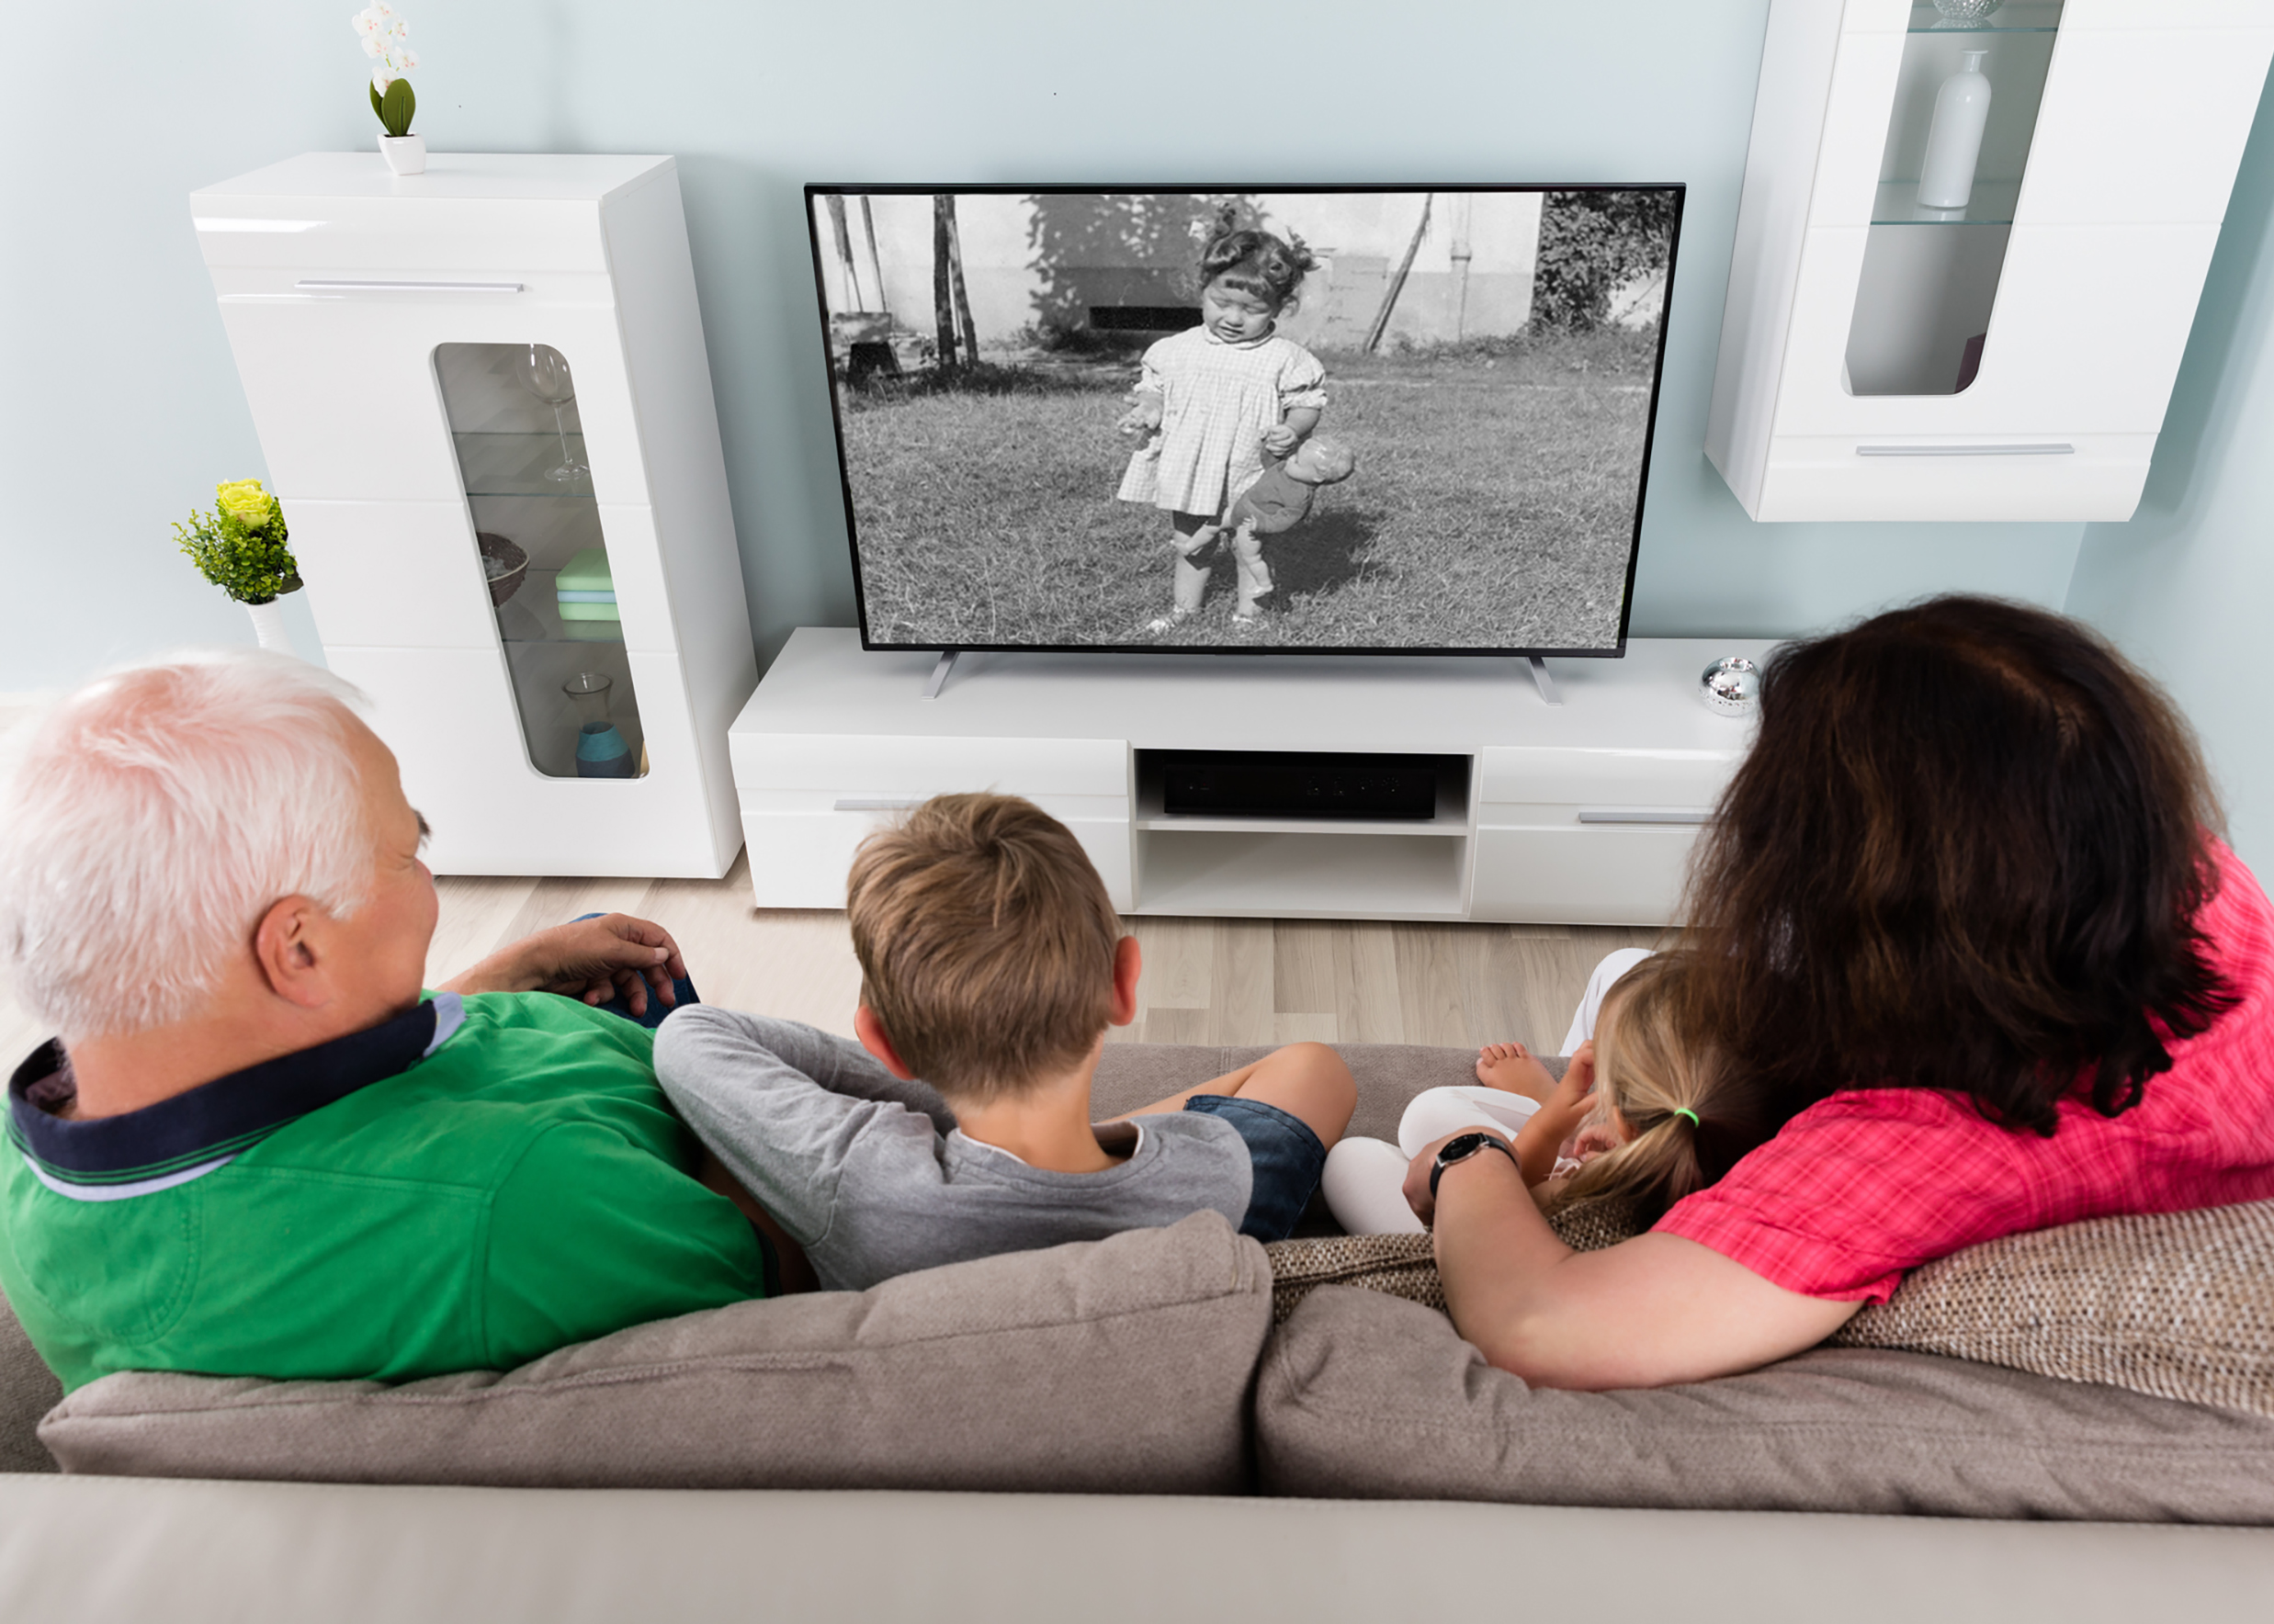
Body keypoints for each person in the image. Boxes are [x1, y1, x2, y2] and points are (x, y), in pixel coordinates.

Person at [1407, 596, 2274, 1391]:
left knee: (1626, 979)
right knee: (1633, 973)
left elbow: (1538, 1323)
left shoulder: (1919, 1150)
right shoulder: (2187, 881)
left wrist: (1469, 1157)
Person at [0, 650, 783, 1393]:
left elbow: (273, 1112)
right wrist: (707, 1084)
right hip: (689, 1144)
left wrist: (512, 975)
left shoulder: (30, 1164)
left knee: (593, 938)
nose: (428, 873)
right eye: (411, 849)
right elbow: (789, 1286)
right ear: (299, 950)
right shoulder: (518, 1199)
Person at [651, 793, 1356, 1292]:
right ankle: (1089, 1144)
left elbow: (691, 1034)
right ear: (1123, 983)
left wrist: (927, 1092)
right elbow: (1302, 1085)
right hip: (1185, 1240)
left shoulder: (859, 1178)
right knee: (1314, 1068)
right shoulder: (1211, 1169)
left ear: (884, 1045)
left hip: (920, 1257)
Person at [1320, 953, 1743, 1236]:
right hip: (1584, 1174)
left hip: (1482, 1246)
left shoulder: (1594, 1201)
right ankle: (1570, 1122)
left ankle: (1567, 1118)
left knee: (1350, 1158)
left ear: (1623, 1121)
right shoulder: (1731, 1156)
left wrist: (1550, 1120)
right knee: (1625, 964)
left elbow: (1510, 1202)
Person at [1114, 224, 1329, 631]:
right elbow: (1154, 388)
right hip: (1193, 466)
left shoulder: (1285, 358)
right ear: (1203, 290)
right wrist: (1149, 407)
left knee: (1252, 544)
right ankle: (1184, 610)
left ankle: (1249, 616)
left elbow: (1307, 402)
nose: (1233, 318)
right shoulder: (1175, 349)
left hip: (1252, 470)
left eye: (1252, 310)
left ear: (1280, 308)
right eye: (1221, 303)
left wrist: (1294, 428)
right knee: (1190, 543)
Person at [1219, 434, 1358, 621]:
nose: (1291, 458)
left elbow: (1284, 521)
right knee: (1212, 525)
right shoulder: (1287, 469)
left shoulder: (1299, 497)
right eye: (1295, 455)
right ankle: (1190, 544)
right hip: (1243, 509)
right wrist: (1268, 449)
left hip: (1252, 523)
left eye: (1298, 461)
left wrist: (1260, 525)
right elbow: (1268, 465)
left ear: (1317, 477)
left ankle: (1264, 583)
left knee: (1251, 557)